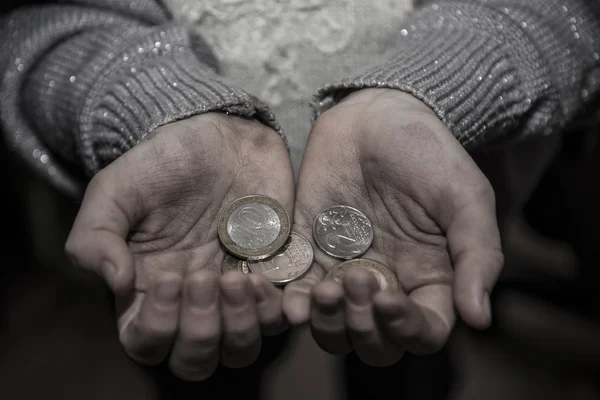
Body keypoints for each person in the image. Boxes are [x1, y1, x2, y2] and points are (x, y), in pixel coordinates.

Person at [1, 0, 598, 383]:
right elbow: (35, 23)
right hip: (184, 237)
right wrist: (143, 99)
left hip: (413, 224)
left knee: (405, 349)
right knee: (207, 358)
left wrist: (429, 91)